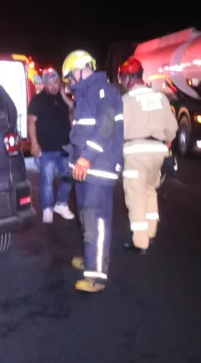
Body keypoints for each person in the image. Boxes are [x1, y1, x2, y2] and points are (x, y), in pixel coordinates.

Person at [62, 49, 124, 293]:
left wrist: (86, 158)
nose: (68, 82)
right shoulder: (84, 96)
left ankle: (96, 275)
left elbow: (106, 128)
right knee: (85, 216)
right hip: (85, 169)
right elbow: (80, 134)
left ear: (80, 69)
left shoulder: (104, 91)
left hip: (99, 168)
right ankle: (90, 260)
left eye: (69, 77)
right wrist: (74, 161)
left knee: (95, 220)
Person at [117, 57, 178, 253]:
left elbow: (119, 130)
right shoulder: (160, 97)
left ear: (127, 79)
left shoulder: (126, 100)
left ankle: (140, 242)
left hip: (135, 153)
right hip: (158, 152)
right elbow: (172, 129)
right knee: (151, 191)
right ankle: (151, 233)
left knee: (135, 197)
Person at [27, 68, 75, 223]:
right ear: (44, 84)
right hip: (46, 149)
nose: (53, 86)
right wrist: (34, 144)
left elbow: (73, 107)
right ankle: (47, 208)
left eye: (55, 82)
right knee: (46, 180)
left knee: (69, 176)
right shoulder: (37, 100)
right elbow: (31, 122)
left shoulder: (64, 98)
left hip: (65, 148)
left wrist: (62, 93)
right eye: (49, 83)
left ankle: (61, 204)